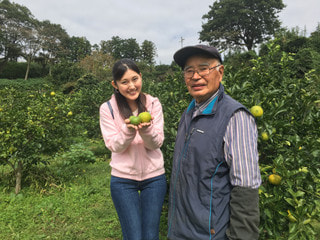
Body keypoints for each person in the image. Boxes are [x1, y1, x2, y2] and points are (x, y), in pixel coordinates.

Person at [167, 45, 261, 240]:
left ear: (220, 72)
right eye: (189, 70)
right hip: (180, 229)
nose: (195, 76)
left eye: (203, 68)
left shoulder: (235, 117)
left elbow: (246, 187)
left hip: (210, 234)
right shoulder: (189, 113)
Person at [99, 58, 167, 240]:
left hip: (154, 178)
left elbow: (156, 143)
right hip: (123, 181)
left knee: (151, 235)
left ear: (141, 77)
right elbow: (113, 145)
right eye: (124, 82)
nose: (131, 86)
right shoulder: (108, 109)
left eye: (135, 79)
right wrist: (128, 131)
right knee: (133, 236)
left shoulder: (153, 104)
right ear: (115, 84)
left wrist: (146, 131)